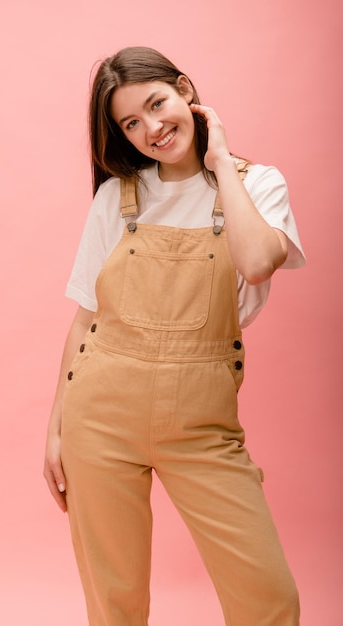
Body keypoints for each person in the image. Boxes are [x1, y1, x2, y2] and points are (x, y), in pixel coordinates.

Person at [43, 46, 305, 626]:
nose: (152, 129)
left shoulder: (257, 184)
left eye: (157, 104)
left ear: (186, 90)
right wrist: (56, 427)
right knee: (115, 606)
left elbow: (260, 261)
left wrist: (218, 161)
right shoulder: (117, 196)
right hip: (100, 417)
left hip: (201, 427)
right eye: (130, 123)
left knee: (269, 600)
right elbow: (87, 318)